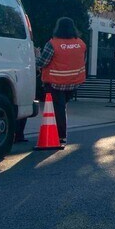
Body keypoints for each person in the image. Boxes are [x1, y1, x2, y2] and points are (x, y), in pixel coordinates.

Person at [37, 17, 87, 145]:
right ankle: (60, 134)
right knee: (62, 107)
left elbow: (42, 62)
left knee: (58, 109)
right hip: (73, 83)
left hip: (55, 83)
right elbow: (82, 60)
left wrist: (36, 56)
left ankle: (60, 136)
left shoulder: (53, 44)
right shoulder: (80, 44)